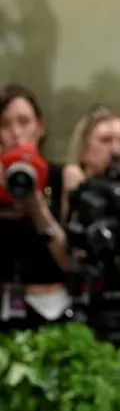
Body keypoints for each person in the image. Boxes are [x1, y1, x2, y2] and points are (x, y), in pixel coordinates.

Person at [0, 84, 85, 332]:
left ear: (40, 127)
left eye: (24, 122)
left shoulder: (66, 177)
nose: (15, 133)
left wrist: (39, 212)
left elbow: (72, 262)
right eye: (4, 124)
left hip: (52, 310)